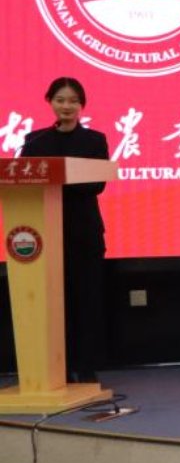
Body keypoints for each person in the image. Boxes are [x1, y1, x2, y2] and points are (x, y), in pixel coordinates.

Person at [21, 76, 111, 385]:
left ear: (81, 105)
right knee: (53, 301)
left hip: (83, 232)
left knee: (86, 298)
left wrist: (55, 182)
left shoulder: (95, 141)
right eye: (60, 100)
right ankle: (58, 365)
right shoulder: (36, 141)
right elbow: (21, 181)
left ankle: (86, 366)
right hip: (45, 233)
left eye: (73, 101)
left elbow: (96, 185)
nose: (67, 106)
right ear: (50, 102)